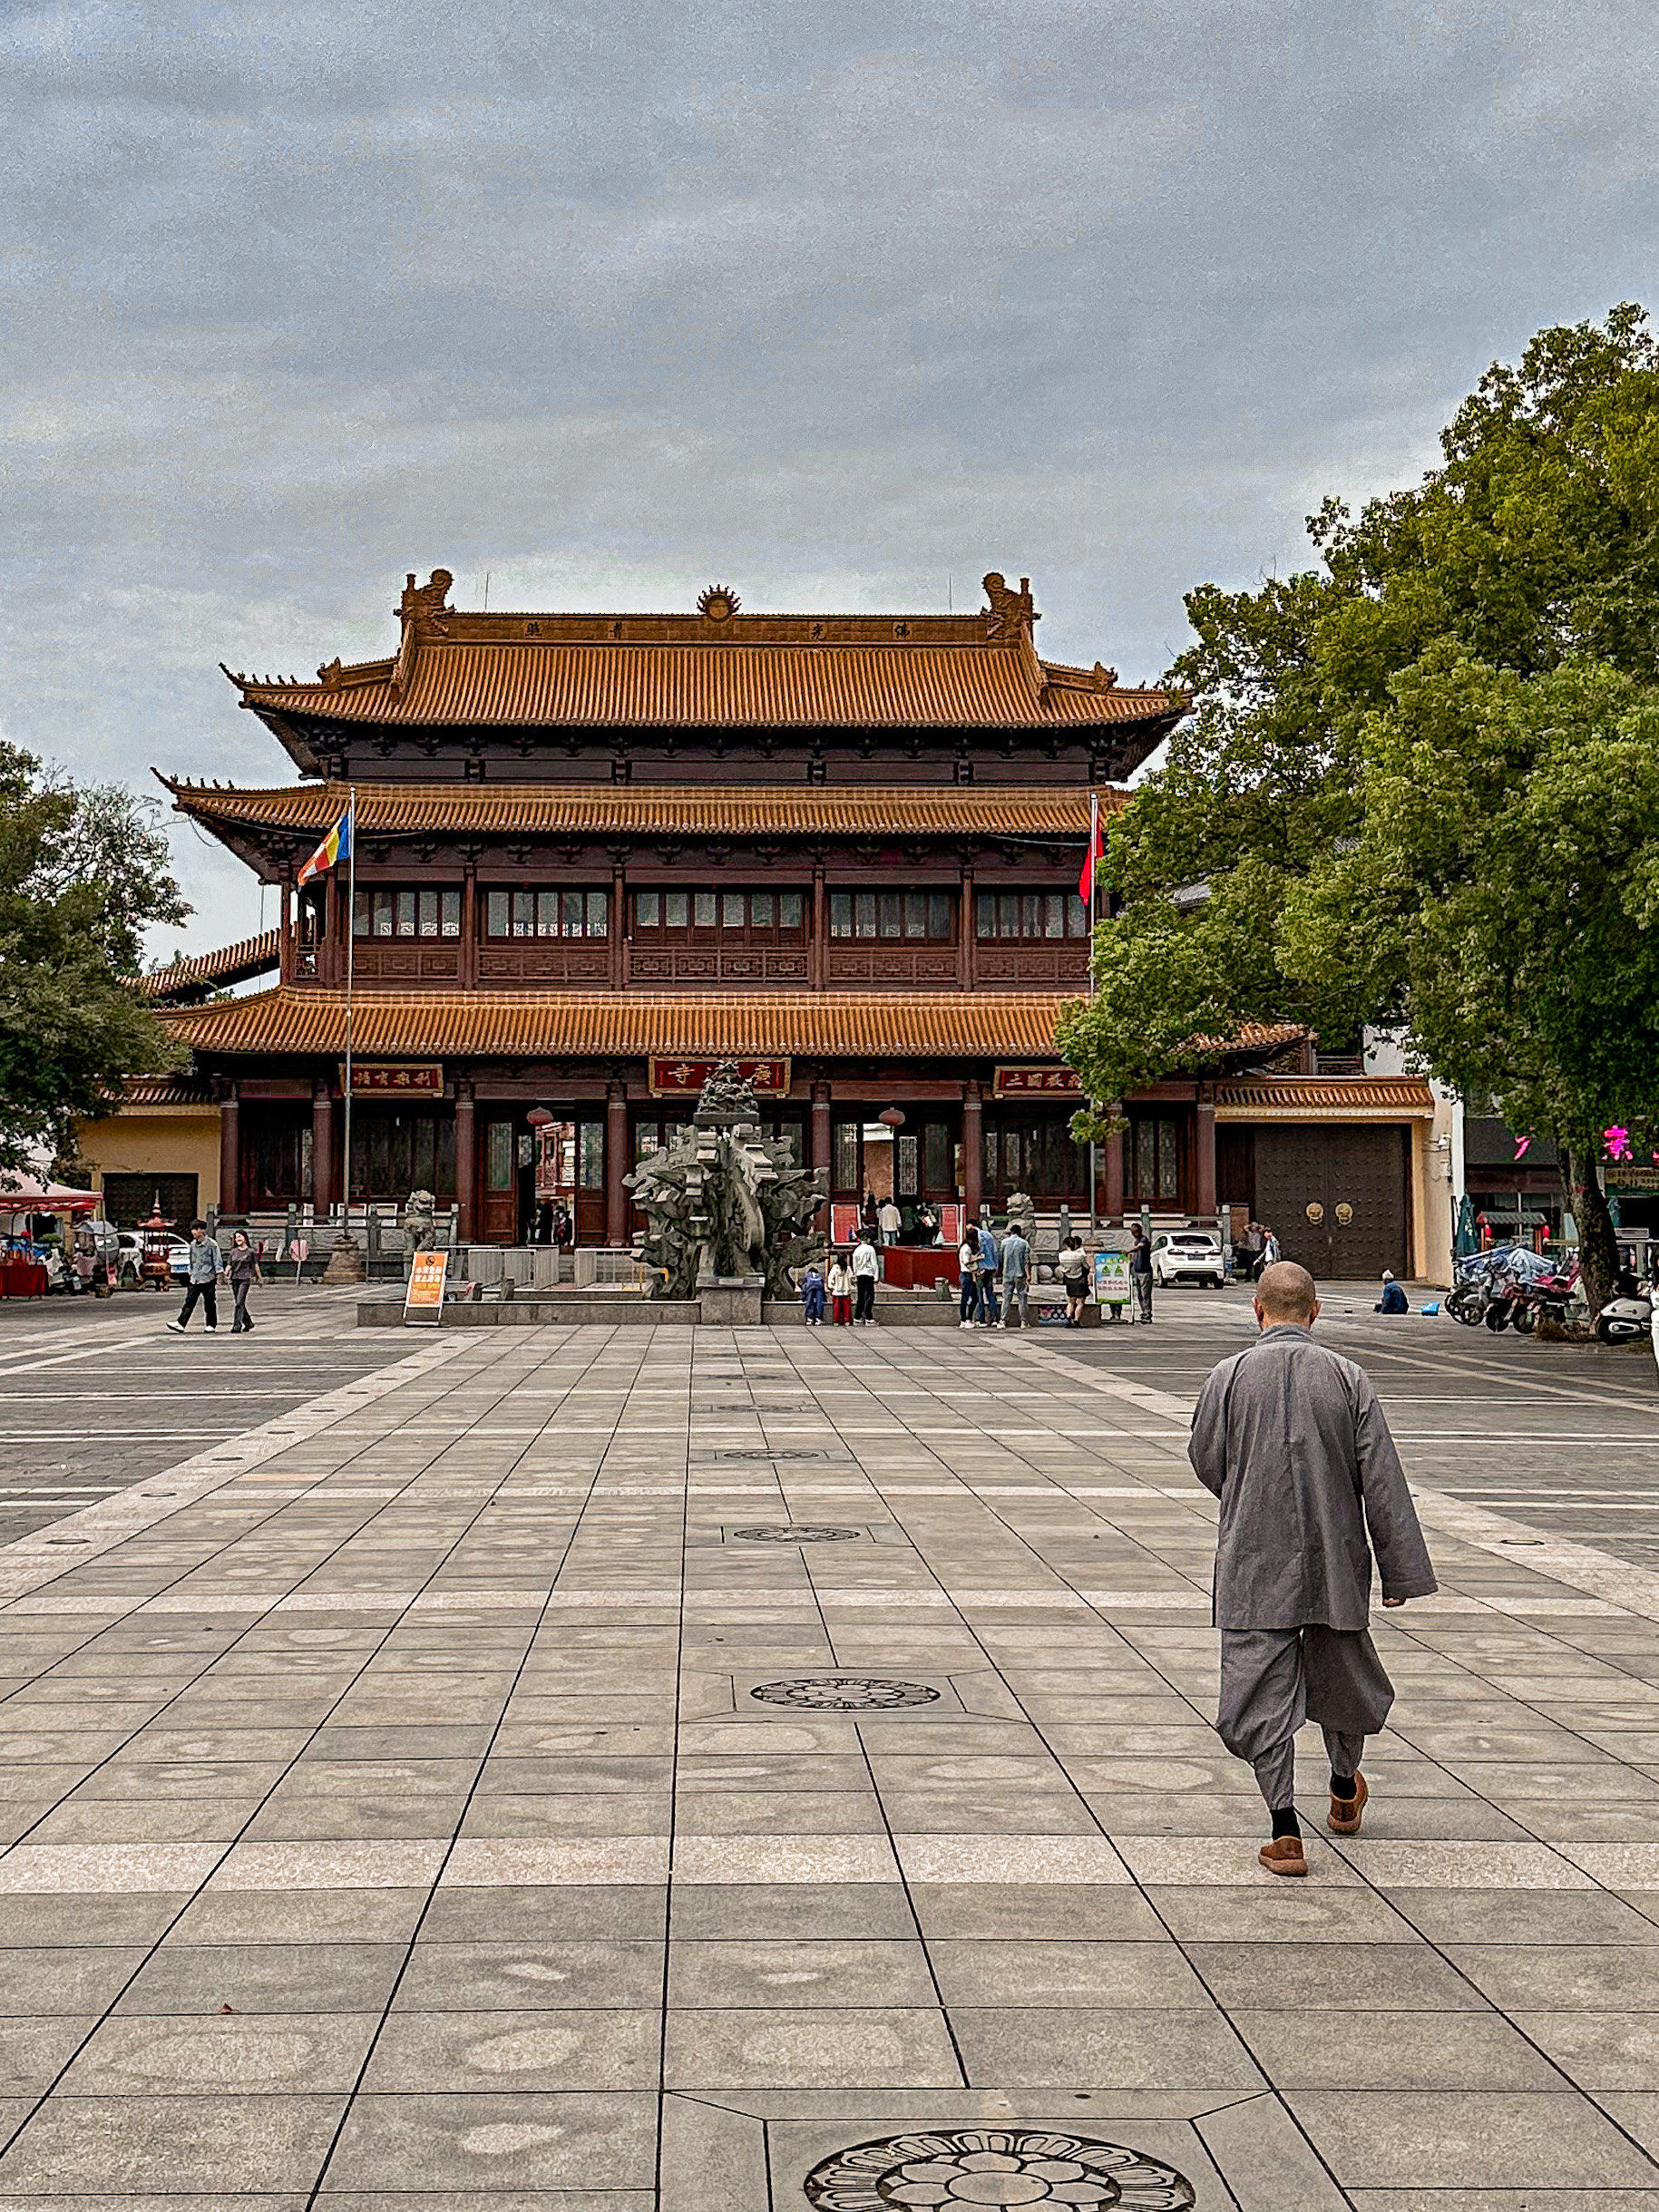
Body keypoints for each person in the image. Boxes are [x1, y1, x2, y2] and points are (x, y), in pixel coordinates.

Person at [1188, 1260, 1437, 1877]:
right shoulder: (1348, 1378)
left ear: (1257, 1310)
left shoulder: (1227, 1377)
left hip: (1253, 1559)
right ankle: (1344, 1784)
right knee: (1342, 1676)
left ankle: (1283, 1828)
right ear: (1315, 1311)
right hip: (1335, 1557)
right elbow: (1381, 1479)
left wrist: (1249, 1496)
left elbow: (1207, 1459)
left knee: (1255, 1689)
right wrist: (1399, 1572)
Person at [168, 1220, 225, 1334]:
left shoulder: (212, 1244)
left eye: (195, 1229)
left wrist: (219, 1275)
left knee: (209, 1302)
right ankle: (181, 1323)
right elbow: (191, 1260)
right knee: (189, 1301)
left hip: (208, 1277)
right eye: (193, 1229)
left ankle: (211, 1325)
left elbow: (217, 1260)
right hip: (195, 1278)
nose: (193, 1232)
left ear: (202, 1231)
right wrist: (190, 1273)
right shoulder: (193, 1245)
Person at [999, 1221, 1032, 1329]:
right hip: (1020, 1274)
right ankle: (1023, 1322)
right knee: (1022, 1298)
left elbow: (1001, 1258)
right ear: (1020, 1232)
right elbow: (1026, 1261)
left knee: (1006, 1298)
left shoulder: (1004, 1243)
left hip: (1007, 1274)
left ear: (1011, 1232)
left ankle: (1003, 1321)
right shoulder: (1024, 1243)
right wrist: (1028, 1275)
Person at [227, 1229, 261, 1333]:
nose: (238, 1239)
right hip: (234, 1278)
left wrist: (259, 1278)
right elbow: (229, 1265)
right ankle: (248, 1323)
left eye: (240, 1236)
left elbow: (255, 1265)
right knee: (239, 1302)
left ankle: (236, 1326)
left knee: (239, 1302)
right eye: (236, 1237)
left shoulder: (250, 1252)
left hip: (245, 1278)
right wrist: (224, 1274)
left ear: (245, 1238)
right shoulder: (233, 1251)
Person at [1059, 1236, 1090, 1325]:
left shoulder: (1061, 1255)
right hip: (1079, 1279)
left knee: (1070, 1301)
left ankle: (1069, 1318)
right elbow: (1086, 1266)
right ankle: (1076, 1320)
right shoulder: (1079, 1255)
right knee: (1080, 1302)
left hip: (1069, 1279)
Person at [851, 1231, 879, 1323]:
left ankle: (857, 1316)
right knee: (870, 1296)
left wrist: (855, 1274)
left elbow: (855, 1264)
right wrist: (876, 1276)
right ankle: (868, 1316)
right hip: (869, 1273)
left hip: (860, 1274)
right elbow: (874, 1263)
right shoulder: (870, 1249)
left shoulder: (857, 1250)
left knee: (861, 1296)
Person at [976, 1221, 1000, 1326]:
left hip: (981, 1268)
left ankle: (981, 1319)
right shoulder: (991, 1237)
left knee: (979, 1294)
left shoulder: (978, 1236)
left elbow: (978, 1251)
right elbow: (995, 1252)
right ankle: (994, 1318)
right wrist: (996, 1266)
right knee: (990, 1293)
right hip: (991, 1267)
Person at [1129, 1221, 1153, 1323]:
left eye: (1135, 1231)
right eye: (1133, 1232)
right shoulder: (1136, 1241)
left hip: (1145, 1271)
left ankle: (1147, 1314)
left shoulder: (1144, 1239)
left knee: (1145, 1294)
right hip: (1137, 1271)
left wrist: (1129, 1250)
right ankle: (1144, 1313)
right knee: (1139, 1294)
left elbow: (1140, 1246)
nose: (1134, 1233)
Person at [957, 1230, 982, 1328]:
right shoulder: (966, 1248)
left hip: (969, 1274)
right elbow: (966, 1262)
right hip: (966, 1274)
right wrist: (977, 1259)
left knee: (973, 1297)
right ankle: (964, 1320)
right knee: (966, 1297)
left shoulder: (965, 1248)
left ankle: (968, 1318)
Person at [827, 1250, 854, 1327]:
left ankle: (837, 1321)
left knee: (837, 1307)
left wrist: (831, 1287)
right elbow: (852, 1278)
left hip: (836, 1290)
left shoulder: (835, 1268)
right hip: (846, 1290)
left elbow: (831, 1278)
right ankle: (847, 1320)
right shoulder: (848, 1268)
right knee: (847, 1307)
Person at [799, 1257, 826, 1326]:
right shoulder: (819, 1276)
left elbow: (804, 1287)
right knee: (819, 1303)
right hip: (819, 1289)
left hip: (810, 1289)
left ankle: (810, 1318)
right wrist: (825, 1299)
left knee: (810, 1302)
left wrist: (802, 1297)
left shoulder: (807, 1276)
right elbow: (823, 1288)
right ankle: (818, 1318)